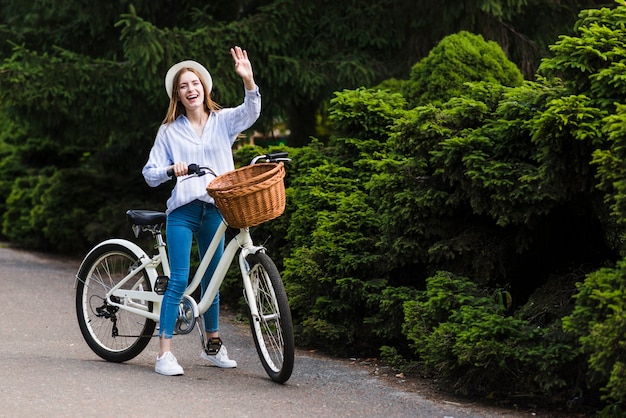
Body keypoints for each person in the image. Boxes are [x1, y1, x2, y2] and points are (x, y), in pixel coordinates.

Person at [142, 46, 261, 376]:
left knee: (213, 280)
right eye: (183, 86)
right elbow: (150, 173)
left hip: (216, 209)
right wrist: (170, 170)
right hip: (183, 210)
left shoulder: (223, 121)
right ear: (177, 95)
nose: (190, 89)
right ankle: (164, 353)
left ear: (204, 88)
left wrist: (248, 80)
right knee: (179, 279)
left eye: (195, 83)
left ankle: (213, 344)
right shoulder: (169, 131)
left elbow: (251, 112)